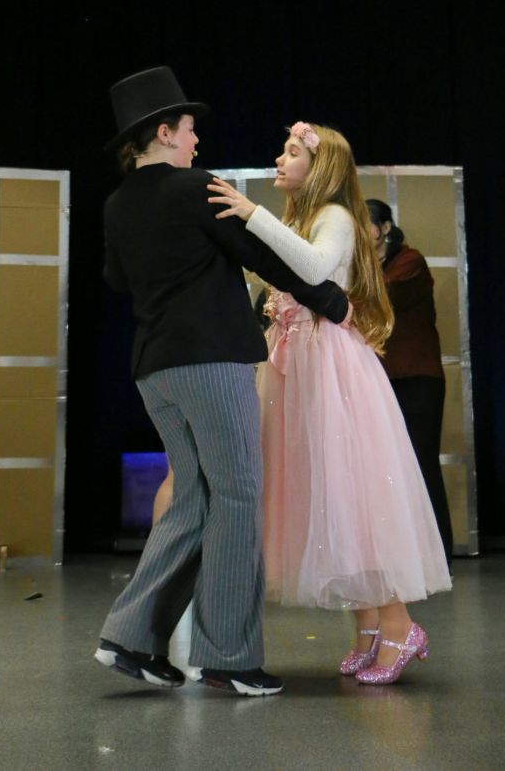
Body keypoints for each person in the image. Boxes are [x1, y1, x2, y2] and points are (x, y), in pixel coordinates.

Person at [94, 68, 350, 697]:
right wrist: (332, 301)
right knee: (237, 496)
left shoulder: (117, 203)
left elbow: (117, 279)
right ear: (163, 132)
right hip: (210, 362)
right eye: (188, 130)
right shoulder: (195, 187)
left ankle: (130, 637)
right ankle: (228, 659)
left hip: (154, 370)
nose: (195, 141)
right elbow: (263, 255)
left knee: (193, 498)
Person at [207, 122, 452, 686]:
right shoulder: (303, 218)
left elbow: (316, 269)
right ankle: (367, 625)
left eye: (292, 151)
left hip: (328, 365)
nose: (280, 158)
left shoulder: (336, 217)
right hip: (297, 361)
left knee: (352, 492)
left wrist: (252, 214)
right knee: (325, 493)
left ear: (319, 168)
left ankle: (399, 623)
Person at [366, 199, 454, 569]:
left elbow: (381, 297)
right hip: (382, 380)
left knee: (422, 464)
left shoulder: (410, 261)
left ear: (385, 228)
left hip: (418, 378)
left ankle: (440, 557)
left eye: (365, 223)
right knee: (389, 469)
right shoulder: (363, 265)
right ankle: (404, 558)